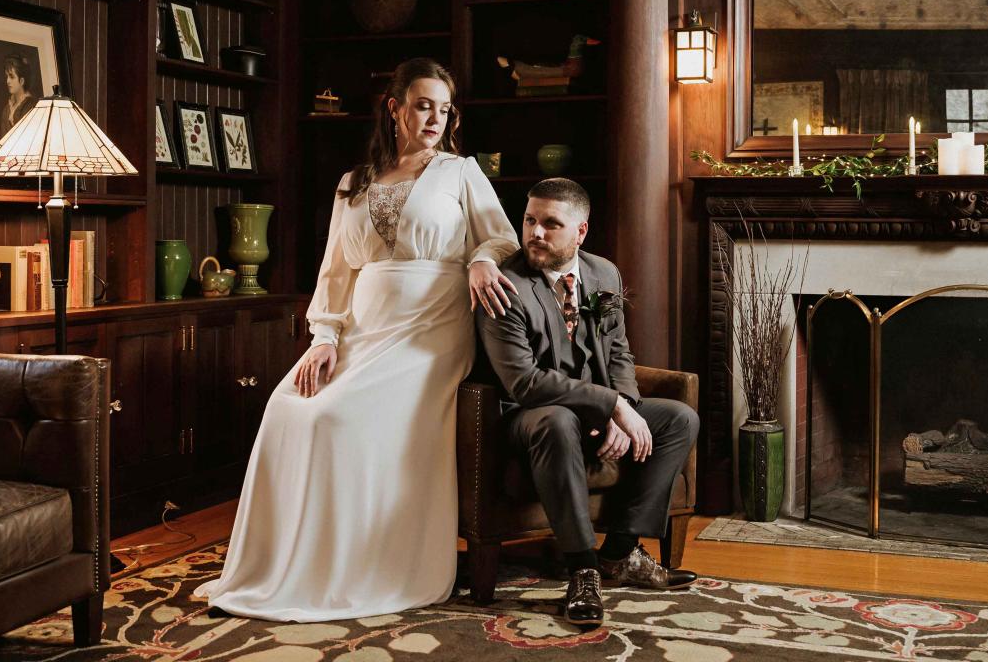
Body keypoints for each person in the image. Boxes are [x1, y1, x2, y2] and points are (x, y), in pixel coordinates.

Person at [197, 57, 519, 621]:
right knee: (286, 407)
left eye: (444, 109)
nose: (435, 119)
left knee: (333, 419)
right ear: (394, 108)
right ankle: (285, 567)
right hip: (362, 333)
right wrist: (324, 337)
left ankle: (353, 568)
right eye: (423, 105)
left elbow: (502, 240)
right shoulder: (353, 183)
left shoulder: (462, 172)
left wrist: (480, 260)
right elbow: (335, 271)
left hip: (430, 333)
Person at [477, 178, 699, 630]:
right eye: (529, 220)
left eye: (550, 224)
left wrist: (627, 408)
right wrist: (611, 405)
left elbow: (618, 352)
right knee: (557, 421)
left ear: (580, 231)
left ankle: (618, 553)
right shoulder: (505, 286)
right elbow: (524, 382)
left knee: (679, 418)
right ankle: (582, 569)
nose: (535, 233)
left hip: (593, 409)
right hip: (530, 416)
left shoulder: (604, 274)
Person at [0, 54, 36, 132]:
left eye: (11, 77)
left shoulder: (32, 106)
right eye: (7, 77)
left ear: (21, 81)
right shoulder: (6, 110)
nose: (7, 81)